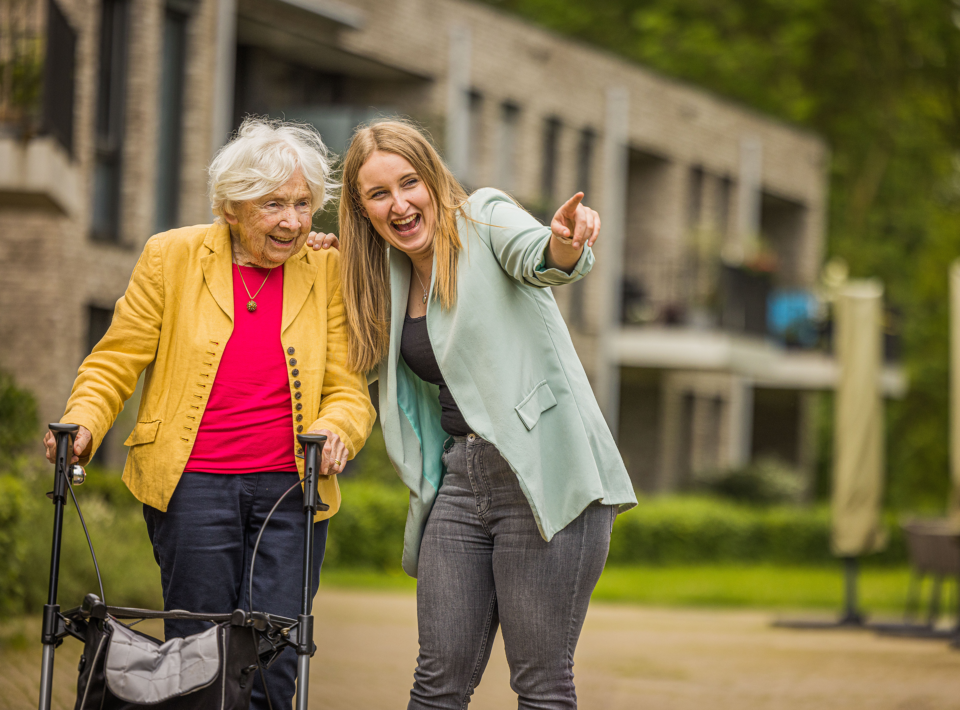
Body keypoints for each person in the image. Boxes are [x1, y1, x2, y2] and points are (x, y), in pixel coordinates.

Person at [43, 117, 376, 710]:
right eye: (273, 204)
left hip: (291, 491)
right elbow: (116, 359)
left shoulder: (327, 269)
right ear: (232, 207)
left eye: (303, 204)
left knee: (276, 661)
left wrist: (335, 429)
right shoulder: (170, 256)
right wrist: (85, 420)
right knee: (198, 659)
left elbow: (348, 388)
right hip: (192, 486)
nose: (293, 221)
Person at [311, 119, 637, 709]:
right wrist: (312, 263)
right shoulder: (382, 275)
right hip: (460, 482)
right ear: (361, 210)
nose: (399, 204)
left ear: (433, 180)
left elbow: (540, 255)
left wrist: (565, 242)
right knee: (437, 682)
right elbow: (349, 363)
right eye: (378, 194)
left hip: (544, 470)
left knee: (540, 682)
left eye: (409, 183)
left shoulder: (485, 220)